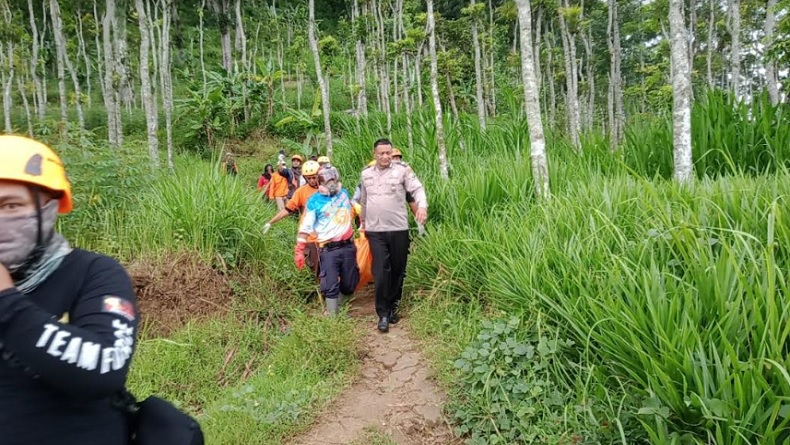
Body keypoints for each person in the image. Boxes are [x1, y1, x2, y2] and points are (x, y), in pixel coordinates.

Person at [0, 135, 138, 445]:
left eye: (11, 205)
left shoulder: (93, 273)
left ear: (48, 209)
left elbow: (105, 367)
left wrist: (6, 302)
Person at [358, 138, 427, 333]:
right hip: (375, 230)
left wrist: (422, 207)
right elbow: (364, 200)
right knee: (380, 272)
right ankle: (383, 313)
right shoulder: (366, 174)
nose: (385, 156)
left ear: (391, 153)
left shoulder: (402, 170)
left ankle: (393, 305)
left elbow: (417, 189)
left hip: (398, 229)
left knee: (398, 269)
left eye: (388, 153)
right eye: (381, 153)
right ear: (375, 154)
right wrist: (362, 222)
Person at [294, 165, 359, 316]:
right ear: (320, 183)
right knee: (330, 285)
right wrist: (299, 249)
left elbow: (351, 211)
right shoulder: (314, 202)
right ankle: (332, 318)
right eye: (327, 181)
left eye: (333, 180)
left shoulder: (343, 194)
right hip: (329, 250)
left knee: (350, 284)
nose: (331, 184)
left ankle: (339, 307)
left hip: (348, 246)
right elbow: (305, 227)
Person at [264, 160, 321, 277]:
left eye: (314, 177)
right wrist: (270, 222)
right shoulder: (301, 192)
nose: (312, 180)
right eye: (308, 178)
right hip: (309, 237)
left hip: (327, 236)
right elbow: (287, 210)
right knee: (315, 270)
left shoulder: (327, 190)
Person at [391, 149, 425, 236]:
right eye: (394, 157)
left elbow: (413, 180)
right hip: (394, 192)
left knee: (415, 208)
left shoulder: (405, 166)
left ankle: (422, 230)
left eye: (398, 157)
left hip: (407, 189)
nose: (396, 159)